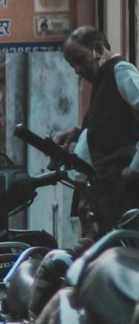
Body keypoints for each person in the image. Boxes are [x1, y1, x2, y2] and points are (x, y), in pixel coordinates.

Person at [57, 26, 139, 229]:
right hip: (107, 195)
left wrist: (134, 169)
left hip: (124, 192)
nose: (77, 69)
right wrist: (79, 133)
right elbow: (114, 122)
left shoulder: (120, 71)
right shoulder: (102, 80)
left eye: (79, 59)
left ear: (98, 49)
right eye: (71, 65)